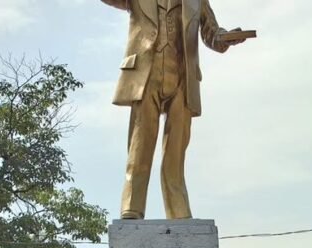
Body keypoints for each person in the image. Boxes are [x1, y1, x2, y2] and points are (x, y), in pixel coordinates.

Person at [98, 0, 253, 219]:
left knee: (176, 152)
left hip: (183, 77)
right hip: (145, 74)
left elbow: (211, 32)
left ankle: (178, 210)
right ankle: (132, 206)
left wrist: (226, 38)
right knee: (140, 146)